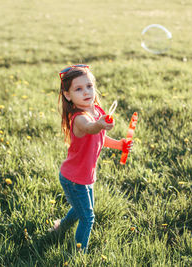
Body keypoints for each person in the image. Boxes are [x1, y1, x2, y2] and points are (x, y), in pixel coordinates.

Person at [50, 64, 132, 251]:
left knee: (82, 209)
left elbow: (100, 138)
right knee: (88, 217)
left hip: (86, 175)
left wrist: (119, 144)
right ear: (68, 95)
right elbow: (90, 128)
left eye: (89, 86)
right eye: (78, 89)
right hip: (73, 178)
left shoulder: (97, 110)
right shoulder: (79, 117)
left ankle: (60, 228)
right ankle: (79, 252)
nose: (86, 92)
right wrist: (100, 124)